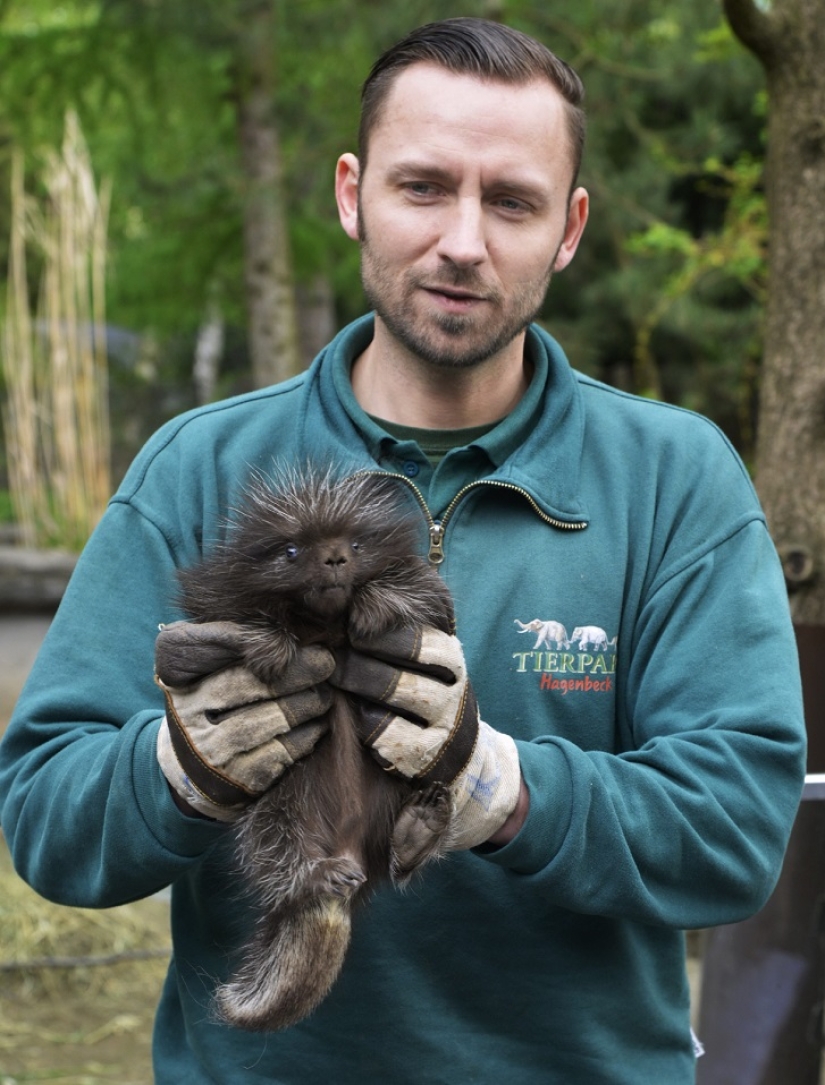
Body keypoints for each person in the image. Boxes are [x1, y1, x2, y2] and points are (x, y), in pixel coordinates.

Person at [0, 17, 806, 1084]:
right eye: (423, 186)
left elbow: (738, 829)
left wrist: (502, 786)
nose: (463, 240)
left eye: (510, 200)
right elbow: (48, 816)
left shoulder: (673, 482)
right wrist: (176, 769)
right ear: (352, 194)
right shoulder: (199, 468)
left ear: (568, 228)